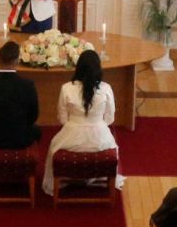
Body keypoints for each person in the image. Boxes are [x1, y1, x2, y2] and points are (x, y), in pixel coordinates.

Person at [42, 49, 122, 196]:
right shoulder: (106, 88)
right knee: (113, 147)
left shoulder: (66, 88)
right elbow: (110, 118)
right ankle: (98, 176)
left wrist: (76, 124)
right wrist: (96, 123)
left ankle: (66, 177)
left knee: (53, 148)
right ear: (98, 68)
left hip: (71, 136)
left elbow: (63, 119)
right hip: (100, 138)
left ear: (78, 67)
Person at [0, 41, 41, 150]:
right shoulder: (28, 85)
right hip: (21, 139)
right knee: (37, 131)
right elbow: (33, 116)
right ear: (17, 61)